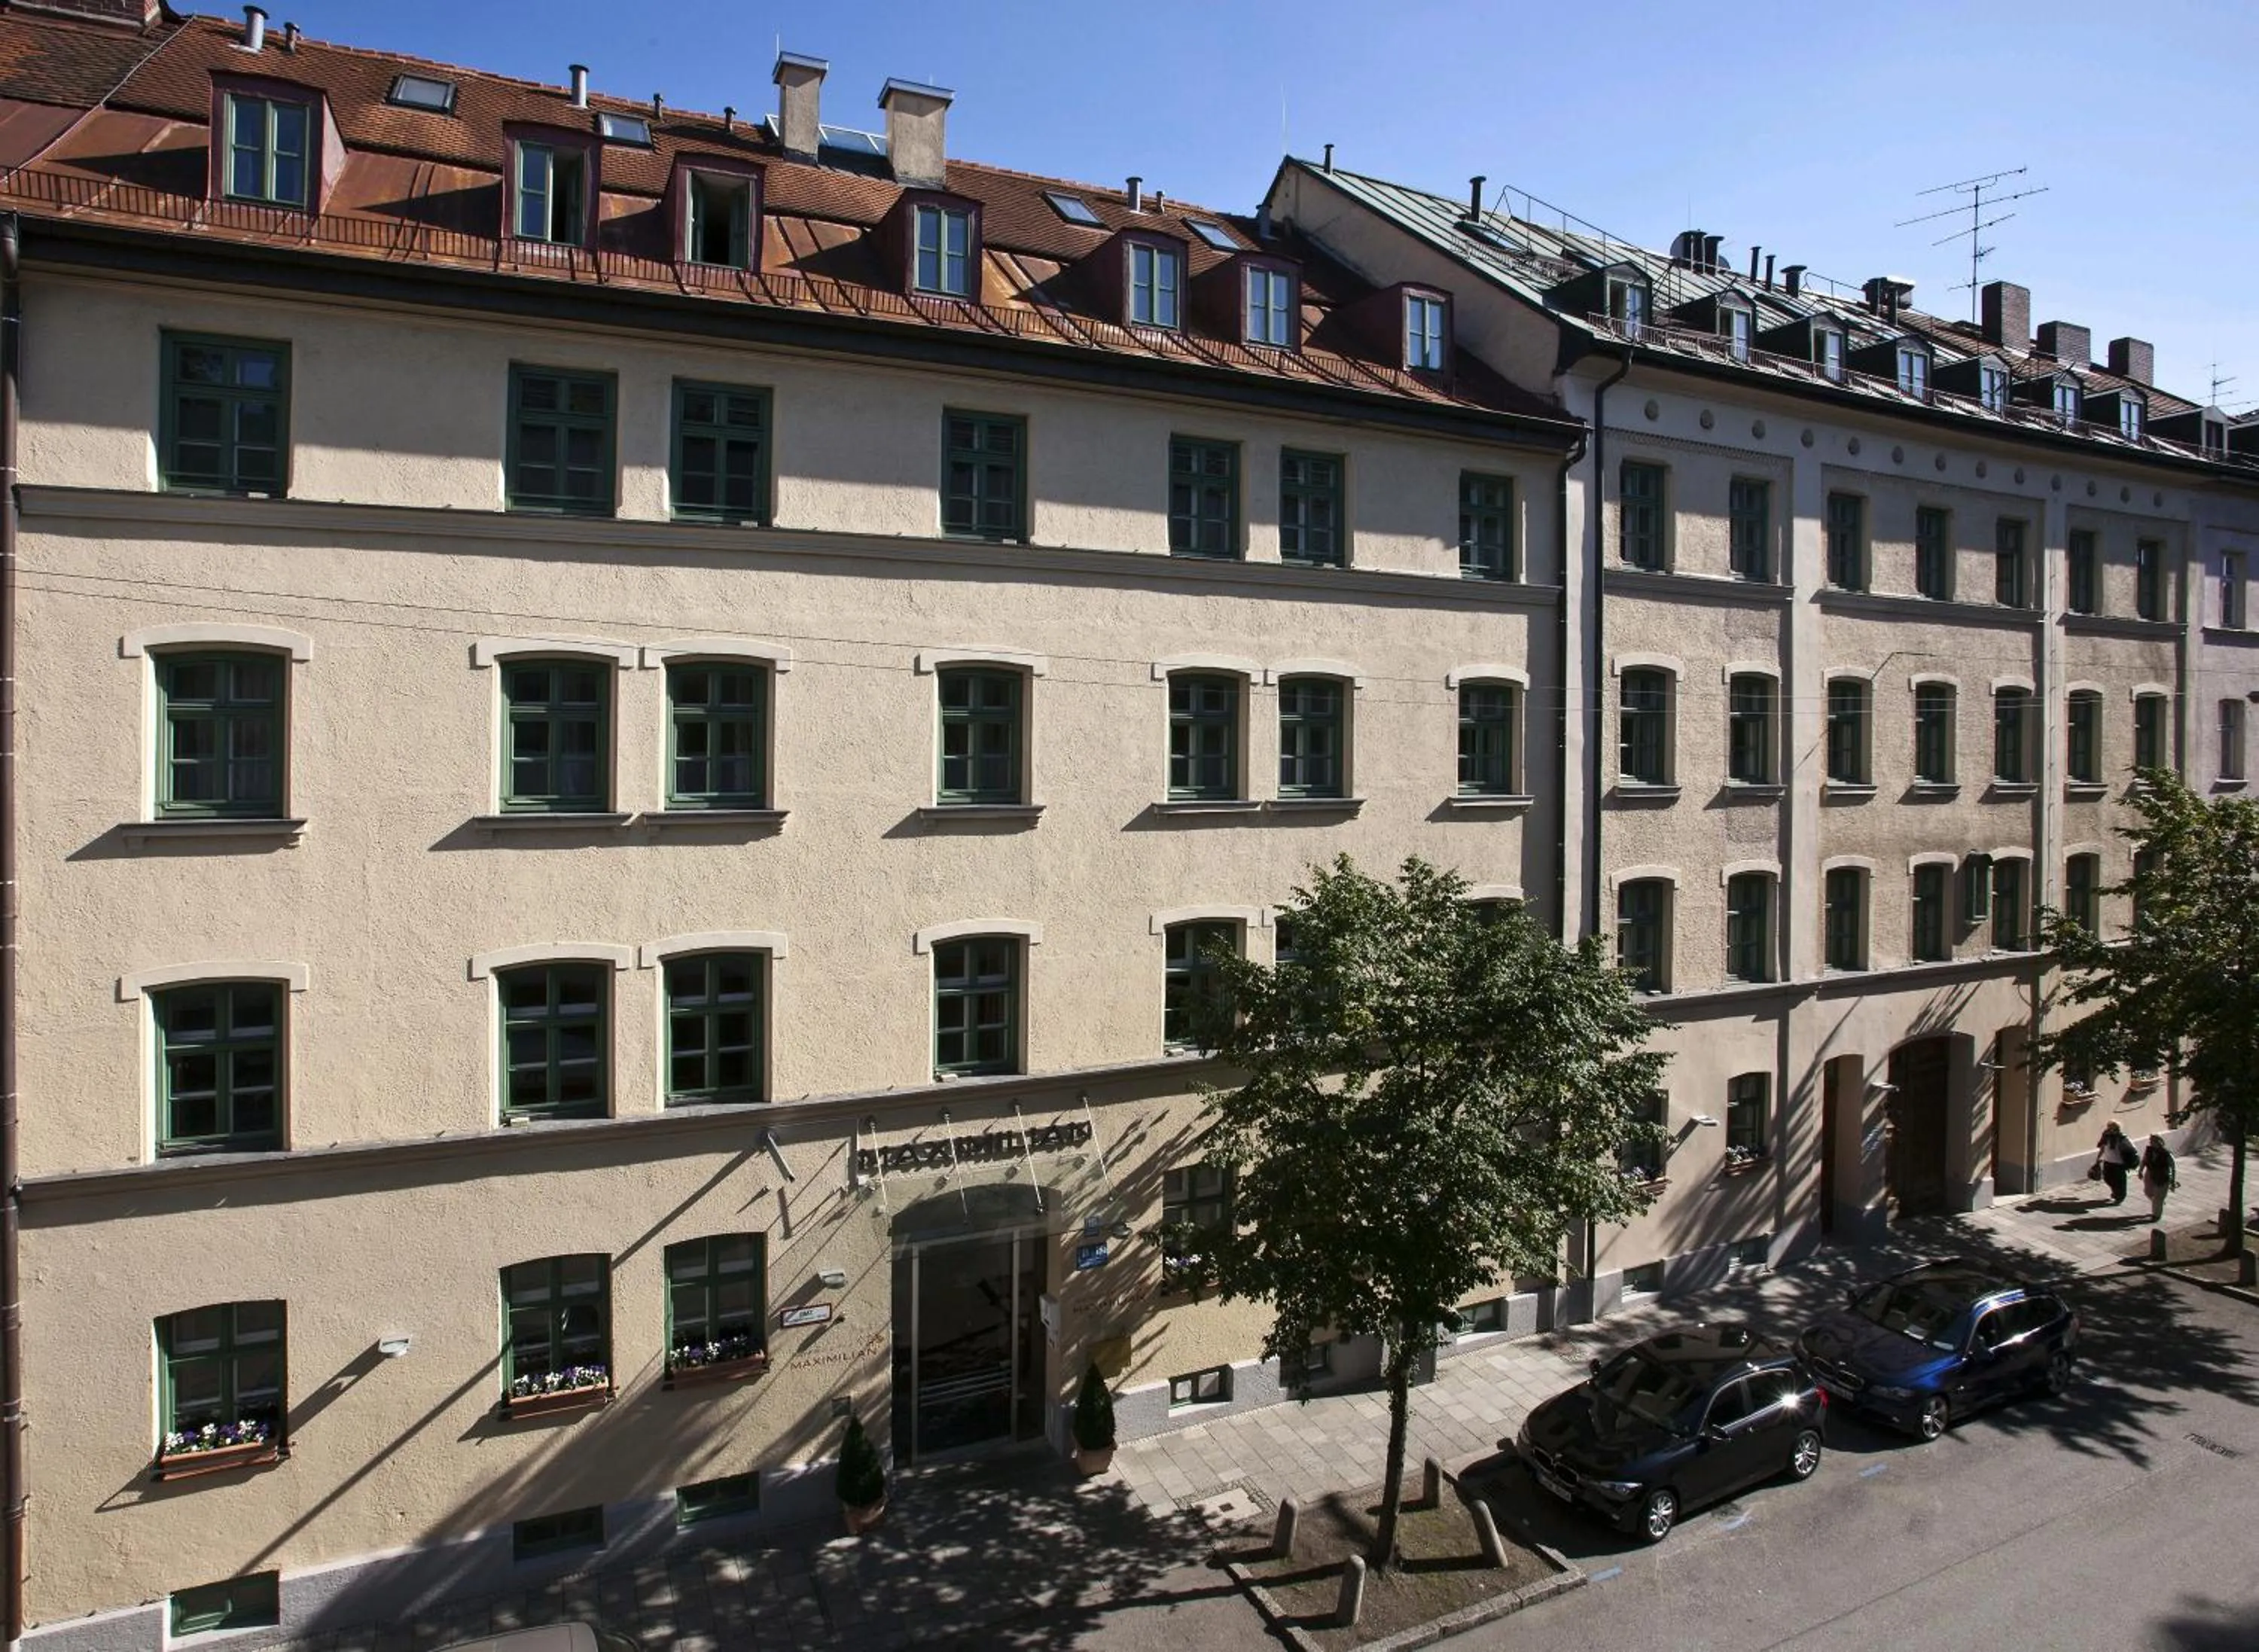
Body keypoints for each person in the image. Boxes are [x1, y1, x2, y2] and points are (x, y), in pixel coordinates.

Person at [2095, 1122, 2138, 1206]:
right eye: (2108, 1127)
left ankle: (2120, 1197)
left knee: (2120, 1182)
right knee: (2108, 1179)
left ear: (2116, 1129)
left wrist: (2125, 1151)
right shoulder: (2106, 1137)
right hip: (2108, 1161)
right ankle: (2115, 1192)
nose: (2108, 1129)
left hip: (2119, 1164)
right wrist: (2098, 1158)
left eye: (2111, 1128)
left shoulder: (2123, 1138)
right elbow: (2103, 1148)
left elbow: (2133, 1149)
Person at [2140, 1134, 2178, 1224]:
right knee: (2148, 1192)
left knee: (2158, 1198)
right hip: (2150, 1173)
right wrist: (2140, 1171)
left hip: (2162, 1176)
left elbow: (2173, 1168)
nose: (2151, 1143)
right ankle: (2159, 1204)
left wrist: (2173, 1181)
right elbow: (2144, 1161)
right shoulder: (2149, 1150)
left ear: (2158, 1142)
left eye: (2152, 1141)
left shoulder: (2166, 1154)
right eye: (2150, 1141)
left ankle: (2156, 1215)